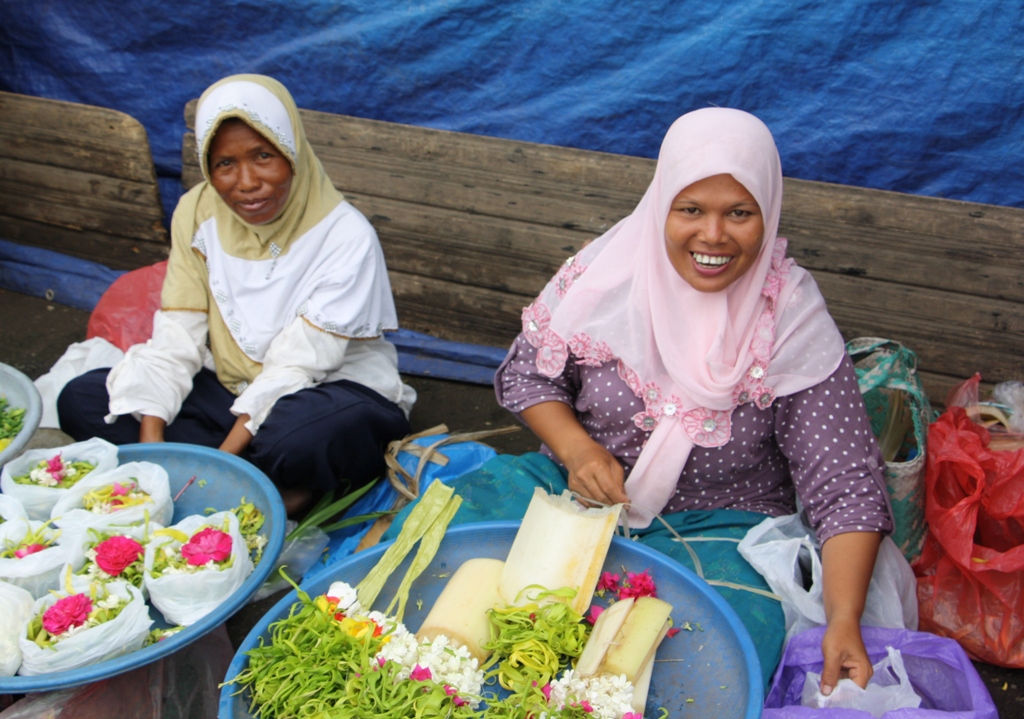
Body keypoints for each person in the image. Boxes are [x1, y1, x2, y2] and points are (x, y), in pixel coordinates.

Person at [385, 107, 892, 693]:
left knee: (704, 656)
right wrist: (576, 450)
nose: (713, 236)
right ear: (661, 206)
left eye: (739, 213)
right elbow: (529, 376)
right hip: (572, 491)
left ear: (768, 212)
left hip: (722, 532)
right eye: (691, 210)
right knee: (441, 567)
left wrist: (844, 619)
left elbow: (846, 484)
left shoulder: (791, 322)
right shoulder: (604, 278)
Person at [58, 74, 416, 514]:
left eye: (263, 156)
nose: (246, 182)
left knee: (300, 438)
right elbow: (178, 335)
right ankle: (263, 484)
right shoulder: (197, 209)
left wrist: (224, 467)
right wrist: (153, 452)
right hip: (233, 388)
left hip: (325, 391)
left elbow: (297, 364)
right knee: (82, 398)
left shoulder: (345, 235)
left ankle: (272, 481)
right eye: (225, 164)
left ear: (292, 151)